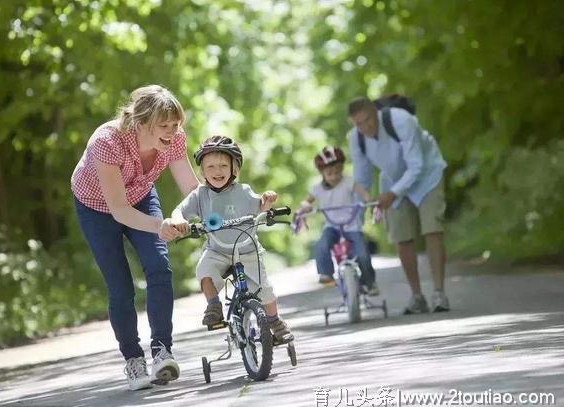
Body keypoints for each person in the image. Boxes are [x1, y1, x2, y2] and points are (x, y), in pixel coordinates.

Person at [71, 85, 199, 391]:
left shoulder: (174, 140)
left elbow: (192, 189)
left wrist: (216, 210)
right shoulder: (107, 142)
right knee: (121, 287)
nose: (172, 132)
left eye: (175, 124)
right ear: (141, 124)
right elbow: (118, 209)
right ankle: (133, 360)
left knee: (159, 267)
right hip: (98, 207)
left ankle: (161, 352)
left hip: (141, 196)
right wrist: (160, 225)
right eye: (164, 126)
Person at [171, 135, 294, 344]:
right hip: (217, 250)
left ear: (234, 169)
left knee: (265, 290)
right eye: (210, 167)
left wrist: (267, 201)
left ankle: (274, 321)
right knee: (204, 271)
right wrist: (178, 220)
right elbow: (180, 211)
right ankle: (214, 306)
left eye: (222, 166)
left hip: (247, 249)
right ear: (202, 171)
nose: (217, 171)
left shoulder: (243, 191)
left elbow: (260, 206)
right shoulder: (200, 195)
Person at [347, 97, 450, 314]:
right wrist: (360, 207)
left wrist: (392, 194)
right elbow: (362, 177)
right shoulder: (356, 139)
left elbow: (416, 165)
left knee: (432, 229)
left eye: (368, 120)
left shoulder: (401, 120)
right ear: (352, 123)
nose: (365, 127)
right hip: (393, 180)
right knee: (401, 237)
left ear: (376, 113)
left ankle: (439, 293)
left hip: (427, 176)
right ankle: (417, 296)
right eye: (358, 124)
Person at [299, 146, 379, 295]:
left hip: (352, 226)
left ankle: (369, 283)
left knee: (362, 254)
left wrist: (369, 201)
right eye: (330, 173)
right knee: (322, 244)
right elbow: (307, 202)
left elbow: (363, 193)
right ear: (322, 173)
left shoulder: (348, 181)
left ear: (342, 168)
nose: (335, 176)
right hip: (332, 226)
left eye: (338, 171)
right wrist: (304, 207)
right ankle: (326, 273)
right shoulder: (317, 189)